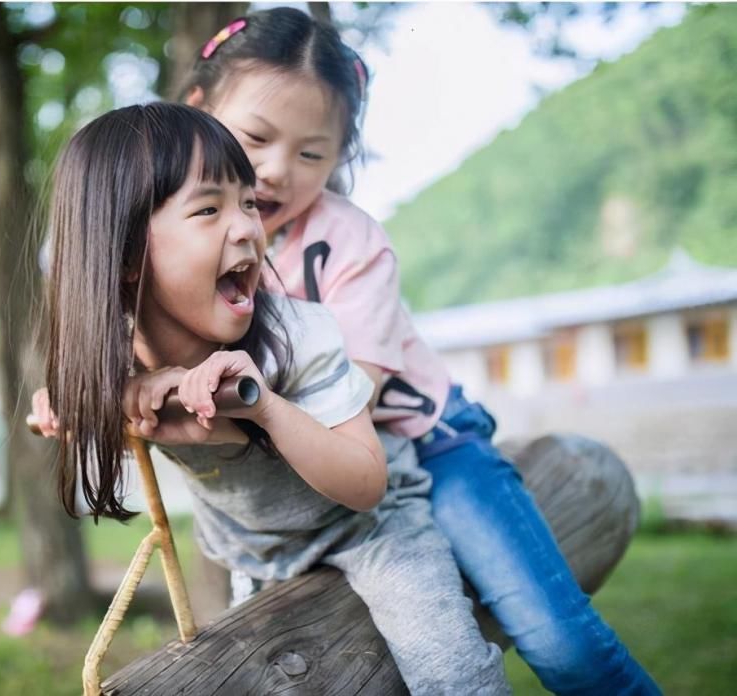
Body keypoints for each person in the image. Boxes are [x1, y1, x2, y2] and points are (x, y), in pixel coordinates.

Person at [176, 7, 660, 695]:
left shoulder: (350, 244)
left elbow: (355, 395)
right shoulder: (184, 236)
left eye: (312, 153)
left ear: (340, 158)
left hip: (424, 443)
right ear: (198, 108)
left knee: (562, 644)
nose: (277, 170)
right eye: (255, 136)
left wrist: (235, 396)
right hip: (301, 487)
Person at [33, 101, 509, 694]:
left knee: (453, 672)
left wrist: (264, 406)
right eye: (209, 208)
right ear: (127, 255)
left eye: (249, 203)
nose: (248, 228)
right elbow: (90, 412)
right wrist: (78, 404)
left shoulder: (298, 336)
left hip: (371, 532)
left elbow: (366, 485)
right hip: (253, 559)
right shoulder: (122, 359)